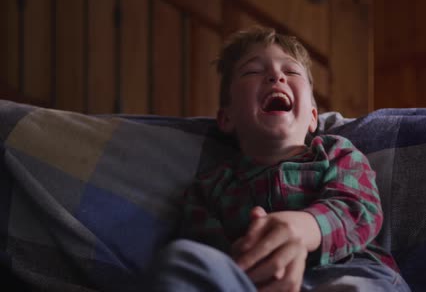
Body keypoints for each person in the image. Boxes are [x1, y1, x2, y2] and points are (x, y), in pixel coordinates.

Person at [146, 26, 410, 292]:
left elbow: (360, 209)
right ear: (227, 118)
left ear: (313, 117)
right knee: (181, 259)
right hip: (251, 283)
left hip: (349, 272)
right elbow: (204, 249)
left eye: (291, 71)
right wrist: (248, 256)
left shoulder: (335, 152)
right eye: (252, 71)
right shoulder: (209, 188)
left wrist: (304, 228)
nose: (276, 76)